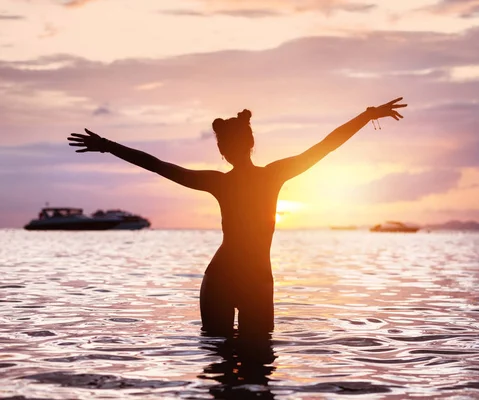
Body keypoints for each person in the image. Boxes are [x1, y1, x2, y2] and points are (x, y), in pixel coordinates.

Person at [67, 97, 407, 337]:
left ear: (223, 150)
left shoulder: (220, 182)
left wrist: (109, 145)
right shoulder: (273, 175)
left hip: (223, 276)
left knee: (219, 369)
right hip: (256, 277)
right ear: (251, 143)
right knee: (258, 370)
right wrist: (367, 115)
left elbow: (159, 166)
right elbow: (327, 144)